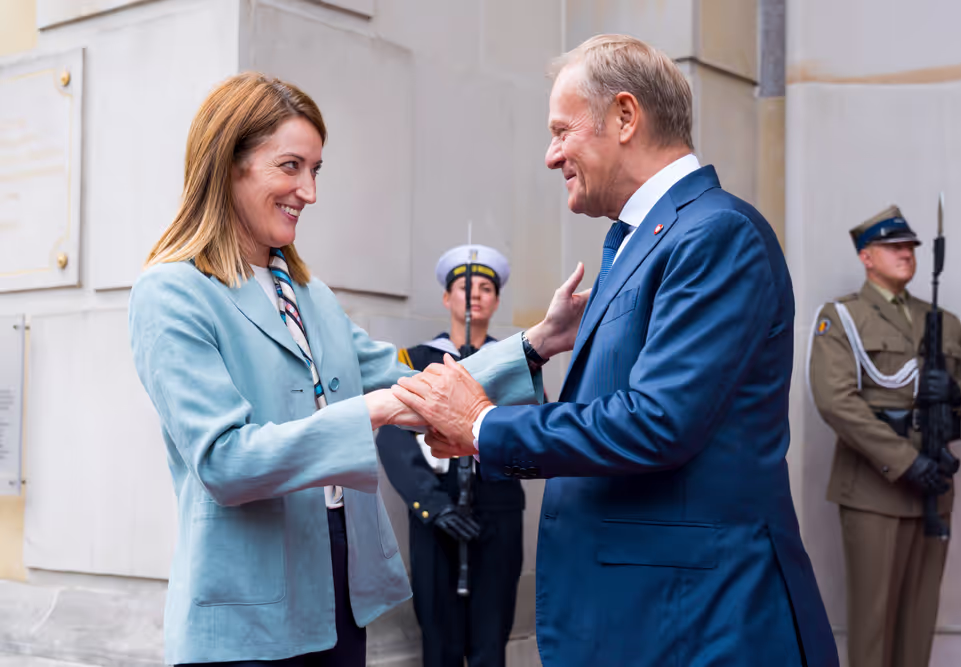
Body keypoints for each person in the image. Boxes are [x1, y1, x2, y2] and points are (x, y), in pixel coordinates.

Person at [391, 34, 838, 667]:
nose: (551, 156)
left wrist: (485, 426)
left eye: (561, 131)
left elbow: (658, 421)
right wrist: (538, 347)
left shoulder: (715, 233)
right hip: (644, 616)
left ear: (625, 116)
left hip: (697, 623)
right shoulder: (646, 238)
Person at [127, 72, 548, 667]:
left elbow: (408, 377)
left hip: (339, 593)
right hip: (245, 617)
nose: (310, 191)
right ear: (230, 164)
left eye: (315, 169)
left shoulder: (310, 294)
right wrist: (374, 411)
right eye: (291, 166)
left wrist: (535, 344)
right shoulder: (170, 292)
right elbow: (225, 461)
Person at [808, 206, 961, 667]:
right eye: (894, 246)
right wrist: (906, 461)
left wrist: (954, 391)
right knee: (873, 630)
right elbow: (837, 403)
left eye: (910, 245)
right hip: (875, 489)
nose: (906, 253)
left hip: (934, 492)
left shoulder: (942, 322)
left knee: (918, 626)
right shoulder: (842, 319)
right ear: (866, 257)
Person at [376, 244, 524, 667]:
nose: (474, 295)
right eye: (464, 287)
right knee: (438, 642)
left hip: (498, 510)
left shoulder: (513, 363)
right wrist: (432, 505)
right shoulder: (416, 360)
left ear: (495, 300)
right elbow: (392, 436)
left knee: (490, 640)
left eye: (484, 288)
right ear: (447, 298)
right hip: (436, 512)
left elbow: (532, 431)